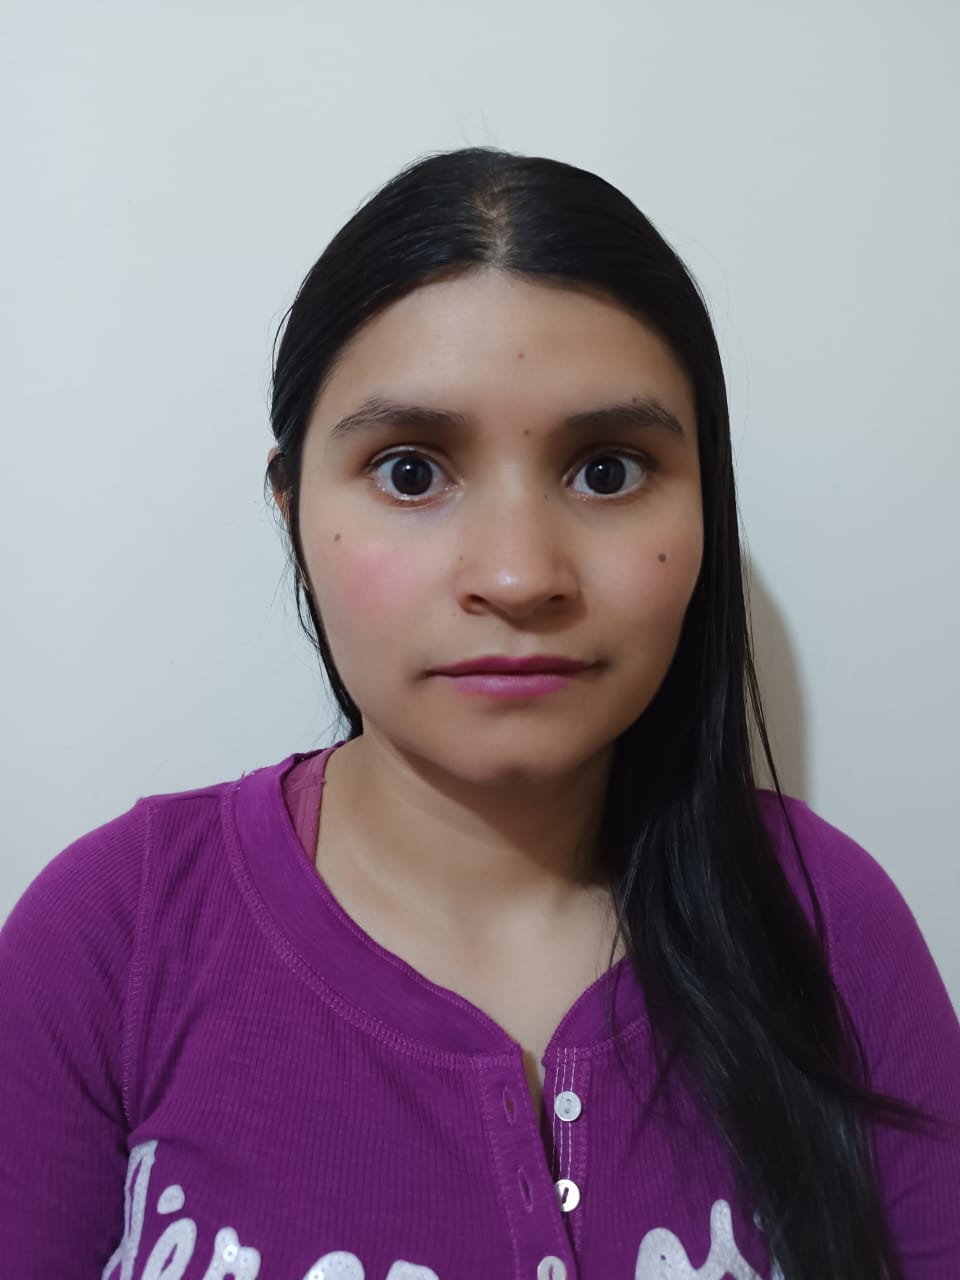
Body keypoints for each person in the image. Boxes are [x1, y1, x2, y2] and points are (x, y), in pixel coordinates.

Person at [1, 148, 958, 1280]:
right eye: (411, 472)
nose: (517, 575)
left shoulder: (828, 922)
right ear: (292, 509)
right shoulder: (113, 939)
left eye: (608, 471)